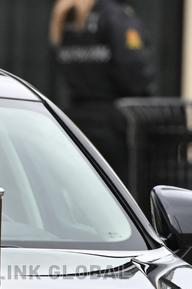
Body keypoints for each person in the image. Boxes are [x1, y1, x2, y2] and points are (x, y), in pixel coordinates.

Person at [50, 0, 156, 173]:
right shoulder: (116, 17)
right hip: (113, 123)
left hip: (75, 121)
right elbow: (134, 73)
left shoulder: (65, 17)